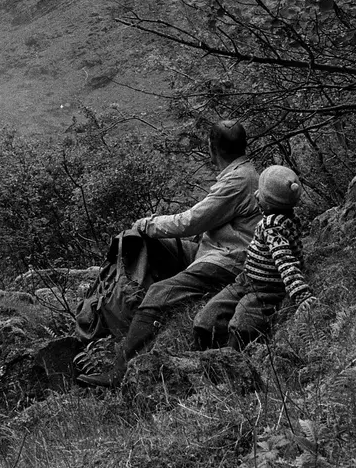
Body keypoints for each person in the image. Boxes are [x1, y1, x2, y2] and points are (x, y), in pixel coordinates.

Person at [78, 119, 259, 387]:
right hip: (212, 251)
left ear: (212, 148)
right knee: (147, 244)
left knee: (158, 291)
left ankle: (118, 370)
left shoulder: (237, 181)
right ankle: (128, 311)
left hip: (227, 261)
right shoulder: (244, 173)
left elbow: (190, 222)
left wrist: (148, 223)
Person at [191, 164, 316, 351]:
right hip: (245, 280)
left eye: (262, 194)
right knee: (207, 318)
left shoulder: (273, 229)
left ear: (269, 203)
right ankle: (207, 352)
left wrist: (301, 294)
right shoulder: (283, 219)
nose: (256, 195)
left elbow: (285, 262)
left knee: (241, 327)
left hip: (267, 289)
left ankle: (230, 361)